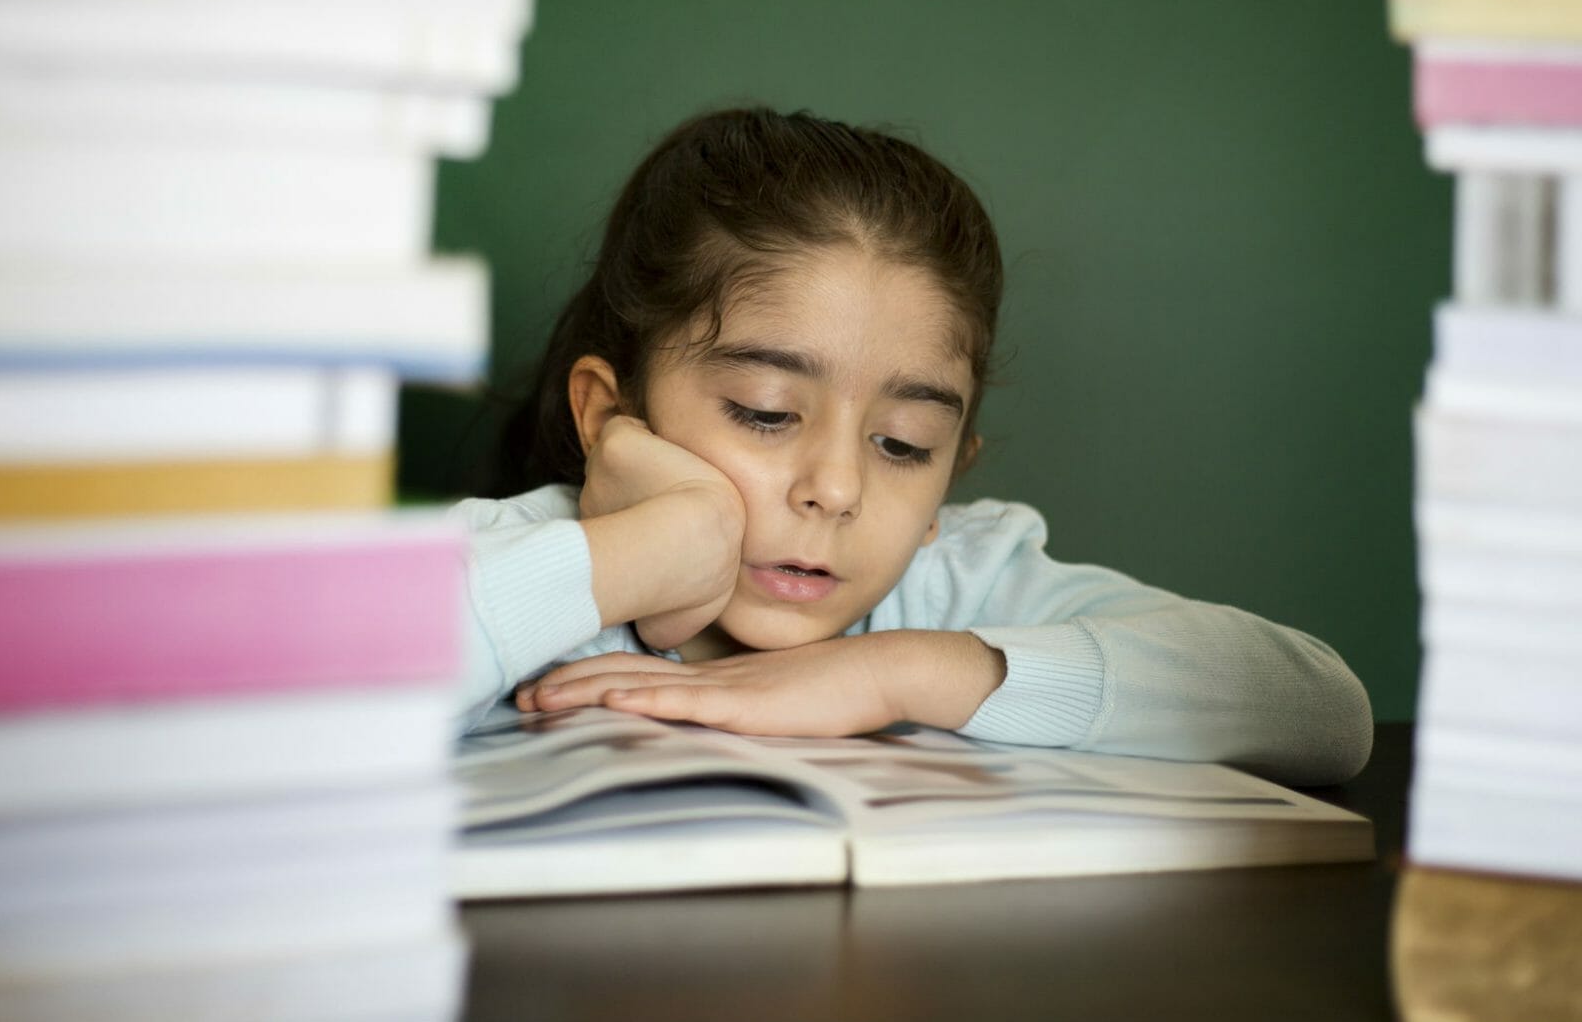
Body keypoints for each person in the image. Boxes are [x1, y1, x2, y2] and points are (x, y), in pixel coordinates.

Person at [445, 107, 1371, 786]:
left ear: (949, 477)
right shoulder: (535, 561)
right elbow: (302, 705)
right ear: (610, 414)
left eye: (902, 444)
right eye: (766, 414)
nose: (837, 488)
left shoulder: (953, 585)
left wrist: (898, 672)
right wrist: (643, 551)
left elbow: (1322, 713)